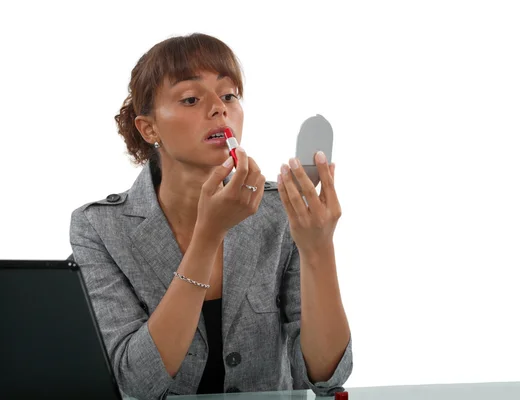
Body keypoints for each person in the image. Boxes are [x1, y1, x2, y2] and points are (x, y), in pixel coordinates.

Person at [69, 33, 352, 400]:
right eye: (191, 98)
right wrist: (208, 237)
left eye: (229, 95)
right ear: (149, 127)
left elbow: (327, 378)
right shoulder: (100, 227)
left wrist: (318, 249)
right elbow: (137, 382)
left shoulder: (278, 211)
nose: (219, 108)